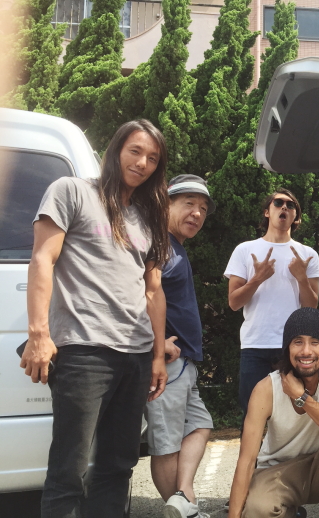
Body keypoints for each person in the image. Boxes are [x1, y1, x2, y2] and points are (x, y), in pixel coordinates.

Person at [21, 120, 170, 517]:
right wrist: (39, 334)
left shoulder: (148, 216)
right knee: (68, 470)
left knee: (118, 467)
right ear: (115, 149)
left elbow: (153, 290)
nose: (142, 163)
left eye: (152, 158)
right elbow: (42, 259)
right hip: (84, 351)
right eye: (135, 151)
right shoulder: (71, 191)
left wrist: (157, 356)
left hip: (136, 356)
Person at [226, 307, 319, 518]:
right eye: (298, 342)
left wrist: (301, 396)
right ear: (287, 348)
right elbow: (247, 460)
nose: (306, 351)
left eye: (315, 342)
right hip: (276, 471)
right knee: (257, 510)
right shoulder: (267, 388)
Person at [145, 175, 217, 518]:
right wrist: (156, 344)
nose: (197, 214)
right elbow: (136, 292)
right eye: (188, 204)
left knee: (201, 425)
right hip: (166, 366)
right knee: (167, 444)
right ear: (166, 204)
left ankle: (183, 500)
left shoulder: (174, 247)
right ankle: (182, 509)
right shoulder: (158, 243)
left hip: (182, 364)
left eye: (202, 208)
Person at [224, 189, 319, 417]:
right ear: (267, 212)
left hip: (293, 347)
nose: (284, 207)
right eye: (278, 202)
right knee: (252, 414)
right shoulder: (244, 250)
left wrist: (301, 277)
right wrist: (257, 278)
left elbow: (311, 308)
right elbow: (234, 303)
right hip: (255, 345)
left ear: (296, 217)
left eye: (291, 205)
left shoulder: (307, 254)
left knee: (294, 414)